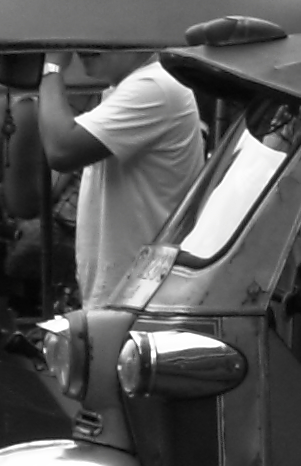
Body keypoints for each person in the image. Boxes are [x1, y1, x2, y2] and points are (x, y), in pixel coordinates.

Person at [39, 40, 205, 310]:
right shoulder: (125, 87)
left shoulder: (154, 86)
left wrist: (51, 68)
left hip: (142, 297)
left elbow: (62, 149)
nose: (81, 43)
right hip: (129, 293)